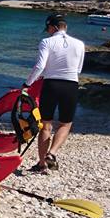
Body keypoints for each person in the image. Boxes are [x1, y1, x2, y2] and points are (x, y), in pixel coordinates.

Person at [22, 13, 85, 173]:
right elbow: (78, 69)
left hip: (51, 85)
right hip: (71, 85)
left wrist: (27, 83)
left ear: (53, 27)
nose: (48, 32)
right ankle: (52, 153)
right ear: (65, 26)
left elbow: (40, 66)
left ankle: (42, 164)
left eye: (48, 29)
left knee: (46, 125)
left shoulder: (46, 42)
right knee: (65, 124)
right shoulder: (79, 44)